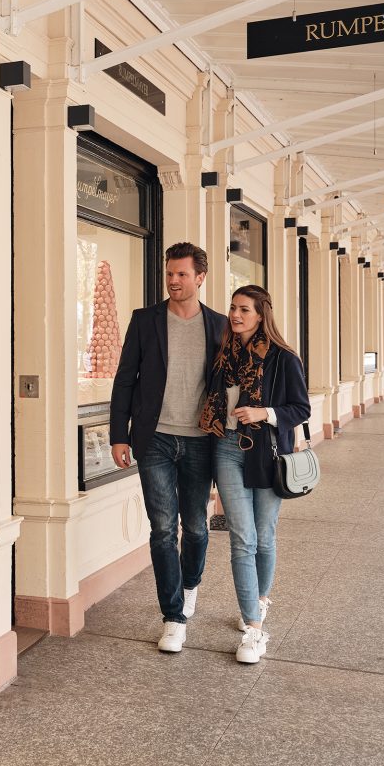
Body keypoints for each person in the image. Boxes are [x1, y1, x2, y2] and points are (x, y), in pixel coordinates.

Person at [110, 243, 228, 653]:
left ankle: (190, 584)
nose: (173, 281)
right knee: (162, 529)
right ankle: (173, 616)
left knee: (195, 527)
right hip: (154, 438)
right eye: (170, 274)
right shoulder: (145, 321)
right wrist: (118, 434)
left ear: (200, 277)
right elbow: (125, 379)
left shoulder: (220, 326)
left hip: (200, 441)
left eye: (182, 274)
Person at [199, 284, 311, 665]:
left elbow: (301, 408)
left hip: (267, 453)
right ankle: (252, 628)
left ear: (261, 315)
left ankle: (261, 599)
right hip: (227, 449)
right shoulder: (223, 356)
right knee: (242, 537)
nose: (235, 315)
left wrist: (265, 413)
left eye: (244, 309)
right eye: (233, 308)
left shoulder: (283, 358)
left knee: (264, 535)